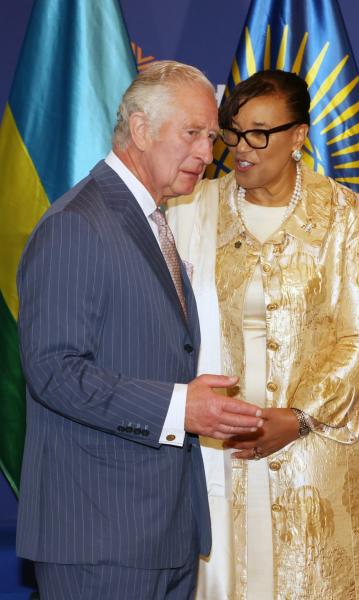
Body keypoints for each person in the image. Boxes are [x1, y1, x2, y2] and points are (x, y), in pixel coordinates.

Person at [15, 61, 264, 600]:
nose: (207, 153)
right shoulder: (77, 225)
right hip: (100, 538)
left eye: (212, 138)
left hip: (163, 532)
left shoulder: (150, 219)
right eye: (193, 134)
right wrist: (180, 408)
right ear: (141, 129)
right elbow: (53, 371)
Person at [166, 69, 359, 599]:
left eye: (260, 133)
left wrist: (300, 416)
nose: (242, 148)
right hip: (220, 444)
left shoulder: (342, 212)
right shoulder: (193, 209)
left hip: (315, 444)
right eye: (234, 131)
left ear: (300, 136)